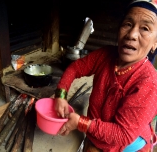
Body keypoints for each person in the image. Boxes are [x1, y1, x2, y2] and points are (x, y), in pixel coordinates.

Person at [54, 0, 157, 151]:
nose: (132, 34)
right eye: (128, 24)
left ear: (155, 43)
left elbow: (123, 134)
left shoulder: (149, 81)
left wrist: (81, 123)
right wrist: (60, 95)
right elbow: (76, 67)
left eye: (145, 28)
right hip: (94, 139)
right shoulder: (105, 55)